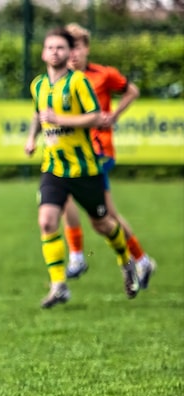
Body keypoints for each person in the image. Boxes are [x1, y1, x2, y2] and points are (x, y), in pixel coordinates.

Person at [24, 27, 139, 309]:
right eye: (50, 47)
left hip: (84, 168)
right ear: (43, 53)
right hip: (53, 167)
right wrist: (31, 138)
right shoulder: (38, 84)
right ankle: (58, 285)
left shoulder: (78, 82)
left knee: (102, 224)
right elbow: (39, 114)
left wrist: (60, 119)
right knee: (47, 221)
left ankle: (127, 262)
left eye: (60, 48)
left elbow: (96, 117)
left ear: (69, 53)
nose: (55, 52)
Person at [61, 22, 156, 288]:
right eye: (69, 48)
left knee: (102, 215)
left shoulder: (102, 75)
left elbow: (132, 91)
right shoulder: (59, 81)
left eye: (77, 48)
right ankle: (136, 259)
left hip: (98, 152)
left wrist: (114, 115)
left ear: (87, 49)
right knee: (87, 210)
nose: (73, 54)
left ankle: (86, 257)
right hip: (73, 154)